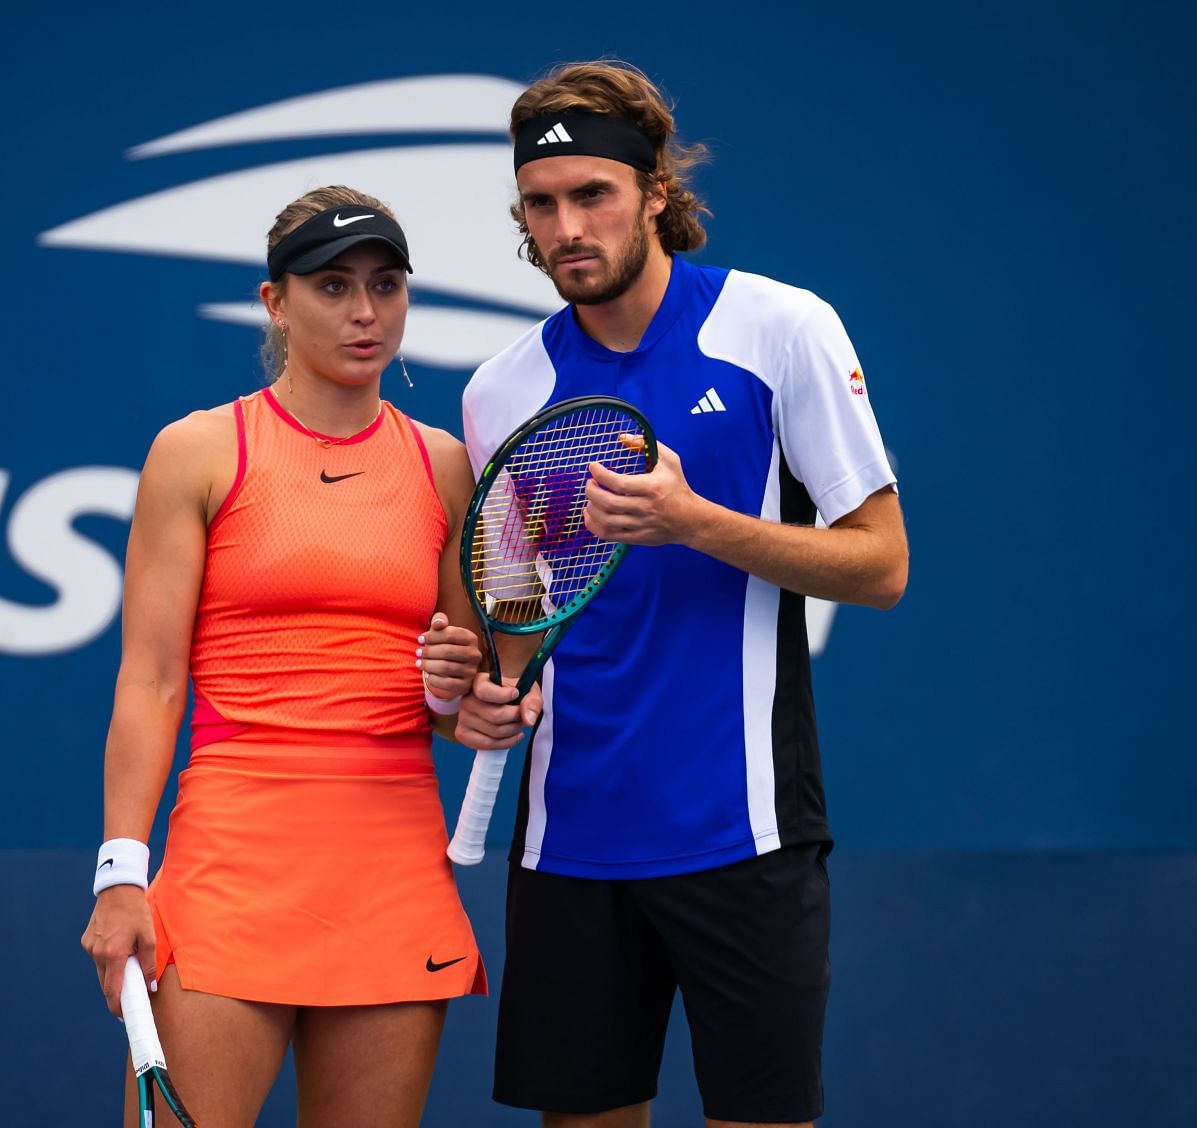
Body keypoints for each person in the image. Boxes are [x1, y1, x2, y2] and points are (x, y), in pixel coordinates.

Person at [455, 62, 910, 1128]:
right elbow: (515, 629)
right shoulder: (500, 393)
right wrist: (486, 689)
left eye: (594, 195)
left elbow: (881, 565)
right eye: (541, 202)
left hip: (741, 836)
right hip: (568, 846)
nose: (567, 227)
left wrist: (693, 520)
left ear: (657, 188)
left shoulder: (780, 329)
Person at [80, 186, 488, 1128]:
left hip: (392, 870)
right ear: (275, 302)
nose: (364, 312)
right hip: (233, 865)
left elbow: (454, 697)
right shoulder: (198, 451)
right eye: (334, 286)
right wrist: (121, 876)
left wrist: (466, 697)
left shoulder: (444, 467)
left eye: (387, 287)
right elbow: (150, 679)